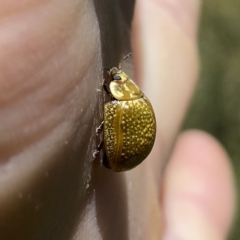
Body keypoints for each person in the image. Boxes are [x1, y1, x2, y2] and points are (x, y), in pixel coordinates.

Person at [0, 0, 235, 239]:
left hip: (118, 157)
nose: (114, 77)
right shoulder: (131, 101)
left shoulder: (126, 104)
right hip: (121, 162)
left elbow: (111, 123)